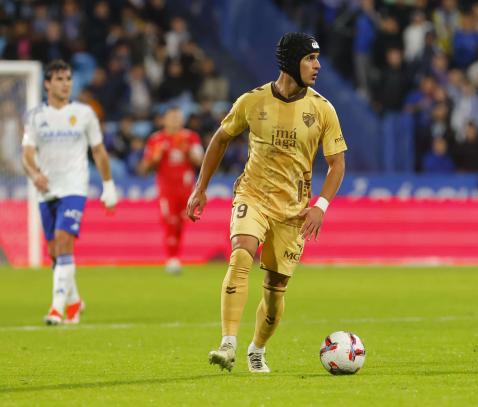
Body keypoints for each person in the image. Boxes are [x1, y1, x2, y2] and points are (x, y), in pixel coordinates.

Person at [186, 32, 347, 373]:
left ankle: (256, 349)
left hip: (293, 211)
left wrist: (320, 206)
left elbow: (337, 163)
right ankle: (227, 344)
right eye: (310, 59)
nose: (317, 66)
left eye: (317, 59)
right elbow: (220, 139)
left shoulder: (322, 109)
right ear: (291, 61)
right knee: (241, 251)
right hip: (253, 196)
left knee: (275, 294)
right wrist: (200, 188)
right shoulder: (252, 101)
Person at [21, 59, 118, 325]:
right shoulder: (35, 117)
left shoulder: (85, 113)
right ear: (47, 84)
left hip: (75, 187)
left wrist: (108, 185)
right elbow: (27, 154)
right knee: (54, 251)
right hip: (46, 189)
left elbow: (98, 150)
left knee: (64, 240)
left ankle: (56, 308)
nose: (66, 84)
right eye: (60, 79)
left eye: (68, 79)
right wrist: (35, 173)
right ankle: (74, 301)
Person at [139, 107, 203, 273]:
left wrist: (189, 152)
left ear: (182, 120)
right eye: (172, 118)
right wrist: (155, 158)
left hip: (186, 188)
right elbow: (143, 167)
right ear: (164, 120)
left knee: (181, 222)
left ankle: (175, 257)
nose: (175, 121)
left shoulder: (191, 138)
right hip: (167, 189)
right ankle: (171, 258)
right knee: (170, 221)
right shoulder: (156, 139)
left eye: (178, 118)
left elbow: (201, 161)